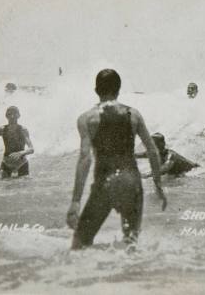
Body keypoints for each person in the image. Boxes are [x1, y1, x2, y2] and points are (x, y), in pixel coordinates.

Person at [66, 69, 167, 250]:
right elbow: (152, 151)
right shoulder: (133, 114)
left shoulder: (87, 118)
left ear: (96, 90)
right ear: (119, 89)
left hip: (105, 183)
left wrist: (76, 201)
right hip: (132, 183)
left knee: (79, 245)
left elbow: (84, 158)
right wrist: (158, 185)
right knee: (131, 244)